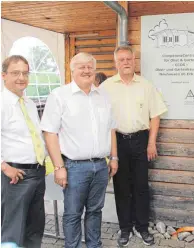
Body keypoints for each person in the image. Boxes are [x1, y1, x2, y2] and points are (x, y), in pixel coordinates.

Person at [40, 52, 118, 248]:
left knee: (95, 211)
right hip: (74, 167)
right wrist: (59, 167)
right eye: (81, 66)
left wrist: (114, 157)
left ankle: (94, 245)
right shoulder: (59, 95)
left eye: (90, 67)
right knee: (73, 214)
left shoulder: (104, 96)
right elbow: (50, 133)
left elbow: (111, 129)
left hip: (101, 166)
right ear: (72, 70)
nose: (86, 70)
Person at [101, 46, 167, 247]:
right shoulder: (105, 87)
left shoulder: (146, 85)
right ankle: (125, 228)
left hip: (141, 140)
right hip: (117, 141)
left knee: (141, 187)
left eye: (129, 58)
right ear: (116, 63)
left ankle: (142, 227)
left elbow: (155, 116)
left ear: (134, 60)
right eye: (121, 59)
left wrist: (151, 142)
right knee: (121, 188)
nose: (125, 62)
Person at [1, 55, 46, 247]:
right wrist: (3, 166)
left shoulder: (28, 102)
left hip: (37, 173)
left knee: (34, 228)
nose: (21, 77)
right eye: (15, 73)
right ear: (3, 75)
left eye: (25, 73)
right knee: (13, 232)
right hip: (15, 176)